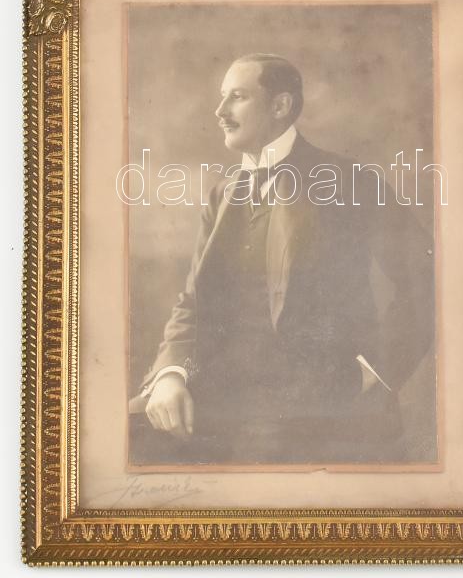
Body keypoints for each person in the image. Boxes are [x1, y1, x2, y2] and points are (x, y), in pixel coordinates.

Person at [130, 53, 433, 465]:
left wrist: (373, 370)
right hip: (222, 397)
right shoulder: (222, 194)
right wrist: (170, 375)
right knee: (119, 440)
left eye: (237, 97)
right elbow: (193, 303)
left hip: (318, 407)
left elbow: (427, 278)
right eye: (222, 96)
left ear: (280, 106)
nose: (220, 111)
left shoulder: (350, 181)